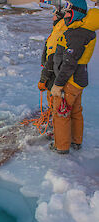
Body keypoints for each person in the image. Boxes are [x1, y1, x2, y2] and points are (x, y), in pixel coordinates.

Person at [50, 0, 99, 154]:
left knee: (61, 113)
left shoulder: (78, 33)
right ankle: (76, 141)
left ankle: (61, 147)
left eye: (68, 12)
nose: (65, 14)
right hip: (78, 79)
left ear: (77, 12)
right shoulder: (82, 29)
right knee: (75, 111)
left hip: (69, 81)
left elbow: (69, 63)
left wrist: (58, 84)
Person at [38, 6, 67, 94]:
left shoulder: (59, 32)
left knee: (54, 97)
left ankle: (53, 107)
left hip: (54, 75)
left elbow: (52, 58)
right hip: (54, 72)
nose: (52, 17)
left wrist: (43, 79)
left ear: (58, 16)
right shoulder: (58, 29)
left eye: (54, 14)